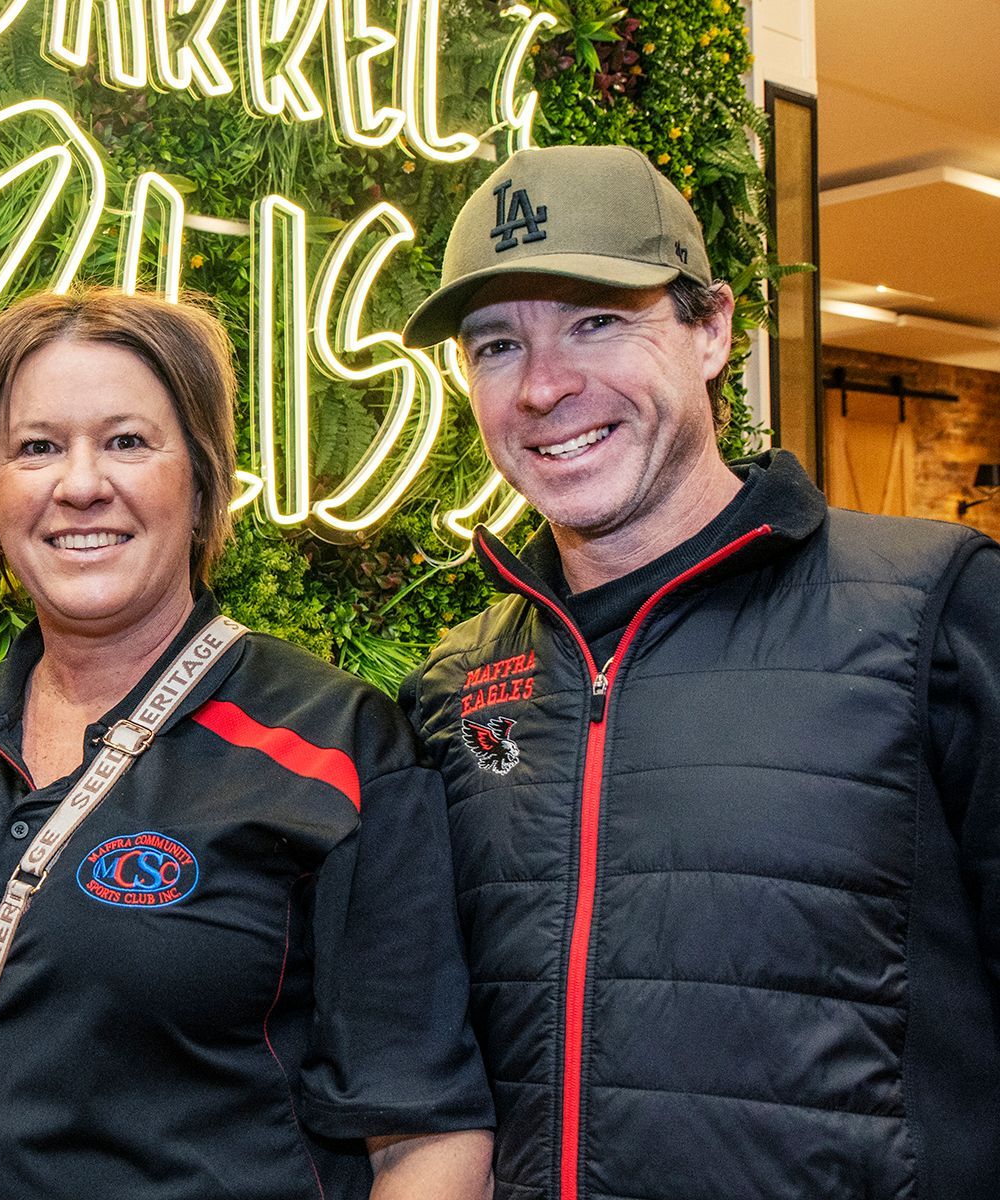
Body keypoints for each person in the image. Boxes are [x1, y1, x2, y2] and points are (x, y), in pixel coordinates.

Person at [396, 143, 1000, 1199]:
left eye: (597, 321)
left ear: (713, 328)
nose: (544, 387)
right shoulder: (453, 686)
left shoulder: (933, 610)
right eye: (496, 346)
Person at [0, 284, 493, 1200]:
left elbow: (427, 1138)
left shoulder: (333, 743)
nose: (79, 484)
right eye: (36, 448)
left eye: (126, 441)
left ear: (201, 476)